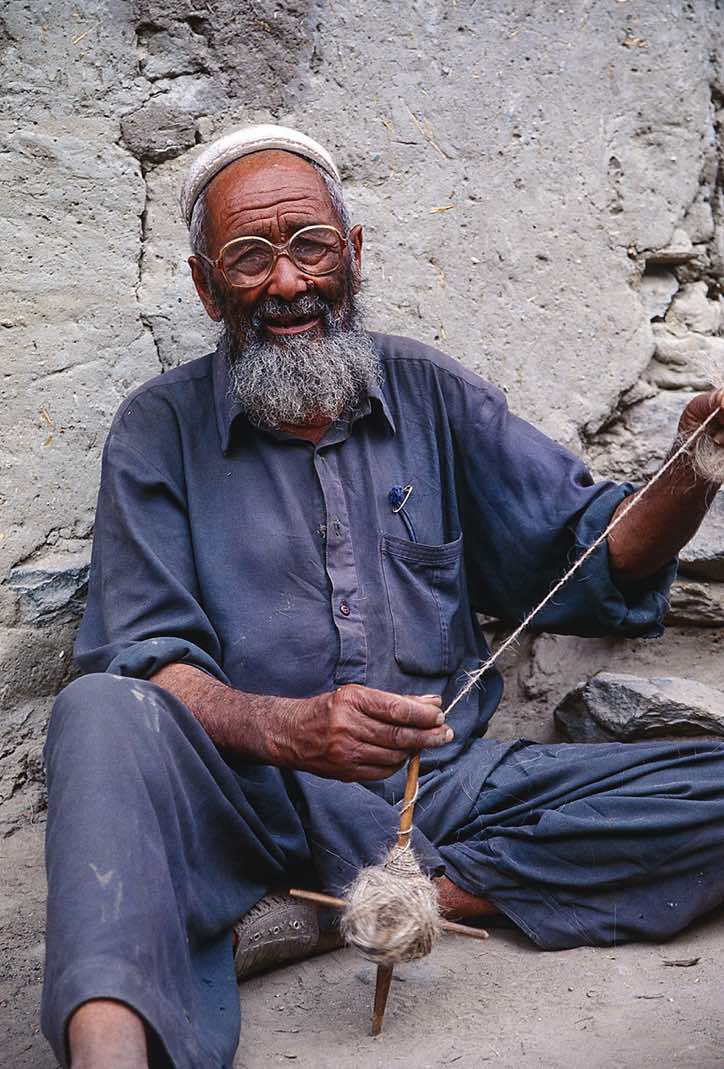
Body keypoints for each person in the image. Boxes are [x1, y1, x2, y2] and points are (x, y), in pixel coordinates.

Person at [41, 124, 724, 1069]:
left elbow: (590, 551)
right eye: (249, 257)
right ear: (207, 287)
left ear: (351, 255)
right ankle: (108, 1052)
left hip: (438, 796)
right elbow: (142, 657)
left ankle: (416, 895)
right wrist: (289, 728)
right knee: (95, 709)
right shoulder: (159, 429)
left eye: (311, 245)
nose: (288, 283)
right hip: (248, 808)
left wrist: (694, 471)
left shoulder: (428, 391)